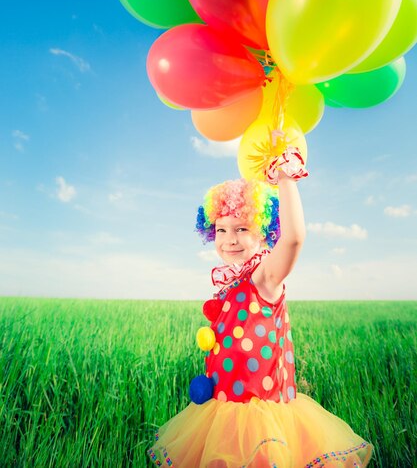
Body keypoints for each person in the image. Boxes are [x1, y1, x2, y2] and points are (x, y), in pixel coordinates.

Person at [147, 147, 373, 467]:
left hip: (263, 419)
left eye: (242, 228)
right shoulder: (229, 284)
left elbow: (294, 239)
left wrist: (284, 176)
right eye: (222, 230)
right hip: (221, 411)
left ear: (265, 231)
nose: (230, 239)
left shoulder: (265, 276)